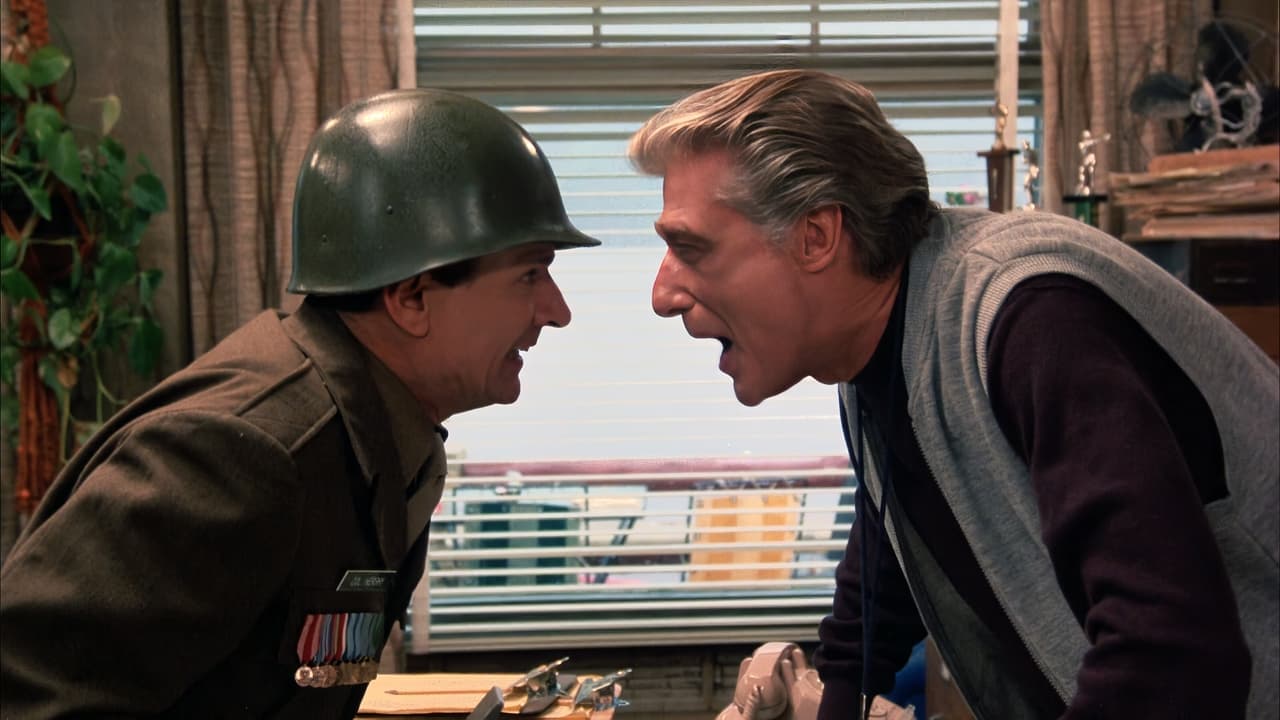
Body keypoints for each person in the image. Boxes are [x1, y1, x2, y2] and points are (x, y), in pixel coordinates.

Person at [628, 69, 1278, 719]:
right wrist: (839, 691)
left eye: (691, 247)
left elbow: (1172, 656)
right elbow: (885, 565)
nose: (662, 294)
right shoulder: (879, 346)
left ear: (816, 236)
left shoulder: (1032, 318)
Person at [0, 88, 599, 718]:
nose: (556, 311)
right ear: (412, 298)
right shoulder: (244, 454)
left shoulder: (380, 436)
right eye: (530, 274)